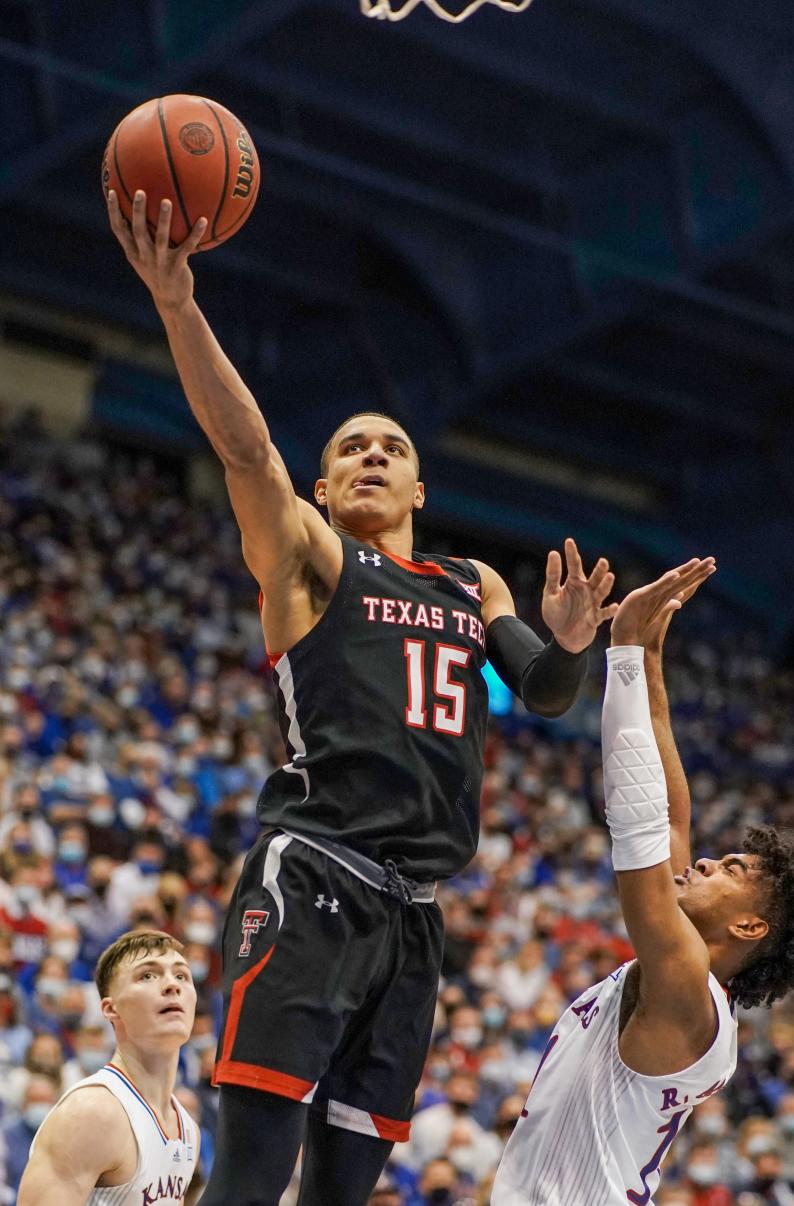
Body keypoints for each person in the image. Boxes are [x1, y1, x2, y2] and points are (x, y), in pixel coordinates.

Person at [107, 188, 616, 1206]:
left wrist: (567, 645)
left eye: (392, 448)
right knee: (252, 1178)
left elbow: (548, 693)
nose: (373, 455)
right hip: (314, 880)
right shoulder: (312, 556)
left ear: (421, 490)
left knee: (345, 1191)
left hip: (416, 917)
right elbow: (247, 452)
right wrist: (177, 306)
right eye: (350, 449)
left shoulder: (473, 585)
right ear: (326, 490)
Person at [492, 559, 794, 1205]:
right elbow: (672, 817)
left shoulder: (686, 991)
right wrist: (647, 652)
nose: (706, 861)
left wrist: (620, 657)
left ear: (749, 926)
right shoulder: (687, 972)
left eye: (730, 870)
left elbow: (640, 828)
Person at [17, 930, 201, 1205]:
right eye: (148, 976)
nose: (171, 985)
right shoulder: (92, 1112)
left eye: (181, 975)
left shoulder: (188, 1129)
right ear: (110, 1009)